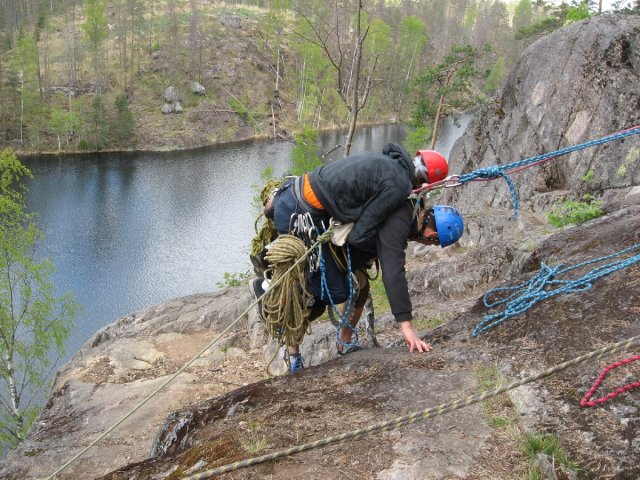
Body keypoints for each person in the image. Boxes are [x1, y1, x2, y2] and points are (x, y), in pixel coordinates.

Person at [251, 144, 459, 372]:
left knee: (360, 287)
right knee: (327, 290)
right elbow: (385, 263)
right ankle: (268, 286)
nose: (430, 243)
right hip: (301, 210)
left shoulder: (392, 166)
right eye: (434, 241)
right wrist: (406, 325)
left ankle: (343, 342)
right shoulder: (399, 196)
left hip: (297, 194)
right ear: (434, 234)